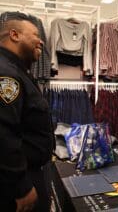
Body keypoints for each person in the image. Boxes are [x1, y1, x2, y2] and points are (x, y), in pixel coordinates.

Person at [0, 12, 54, 211]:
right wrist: (21, 187)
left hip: (28, 171)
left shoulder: (18, 70)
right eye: (35, 35)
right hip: (17, 181)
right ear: (15, 35)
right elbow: (3, 134)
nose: (41, 41)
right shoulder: (6, 73)